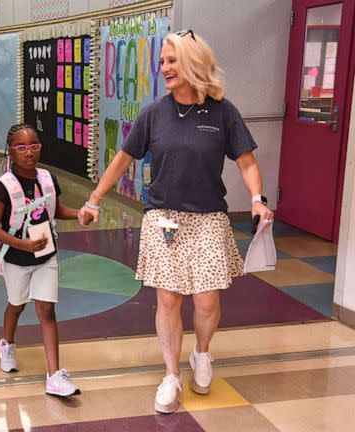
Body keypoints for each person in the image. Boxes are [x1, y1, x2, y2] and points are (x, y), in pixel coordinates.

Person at [78, 30, 273, 414]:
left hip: (209, 218)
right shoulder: (154, 113)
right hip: (164, 217)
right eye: (163, 61)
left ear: (193, 64)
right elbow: (122, 159)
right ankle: (171, 374)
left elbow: (246, 161)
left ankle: (202, 353)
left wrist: (256, 200)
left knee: (207, 298)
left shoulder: (222, 111)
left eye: (171, 61)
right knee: (168, 298)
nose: (163, 67)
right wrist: (94, 199)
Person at [0, 123, 83, 397]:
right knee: (16, 305)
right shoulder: (4, 186)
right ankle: (7, 344)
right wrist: (23, 244)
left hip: (46, 256)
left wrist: (80, 214)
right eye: (21, 147)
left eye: (34, 146)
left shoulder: (47, 178)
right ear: (11, 151)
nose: (29, 153)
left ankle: (54, 375)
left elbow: (56, 209)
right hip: (17, 258)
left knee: (47, 311)